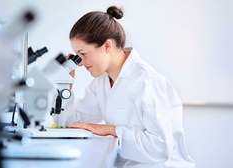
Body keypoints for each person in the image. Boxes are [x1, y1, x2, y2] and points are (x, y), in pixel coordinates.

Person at [54, 6, 195, 168]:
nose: (80, 63)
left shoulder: (146, 81)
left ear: (107, 46)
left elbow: (160, 148)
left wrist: (111, 130)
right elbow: (68, 125)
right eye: (77, 57)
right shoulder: (101, 83)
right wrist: (65, 86)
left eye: (83, 54)